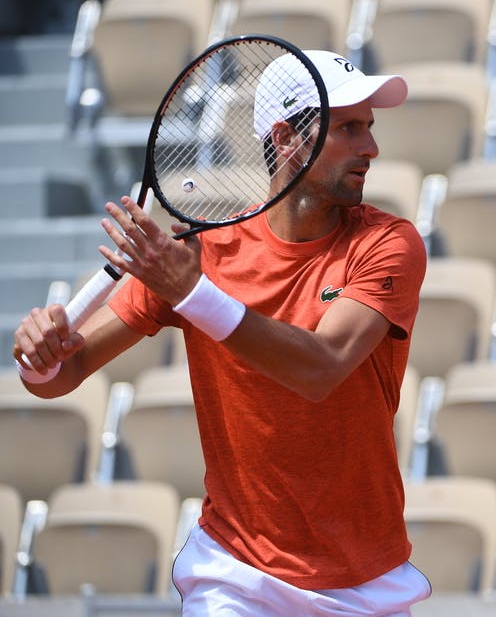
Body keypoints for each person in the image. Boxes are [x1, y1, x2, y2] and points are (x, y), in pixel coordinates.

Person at [11, 51, 430, 616]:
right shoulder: (201, 257)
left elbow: (320, 367)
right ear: (287, 139)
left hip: (366, 583)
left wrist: (194, 295)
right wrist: (38, 356)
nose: (371, 148)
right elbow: (64, 374)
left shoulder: (389, 244)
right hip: (234, 578)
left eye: (370, 129)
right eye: (348, 129)